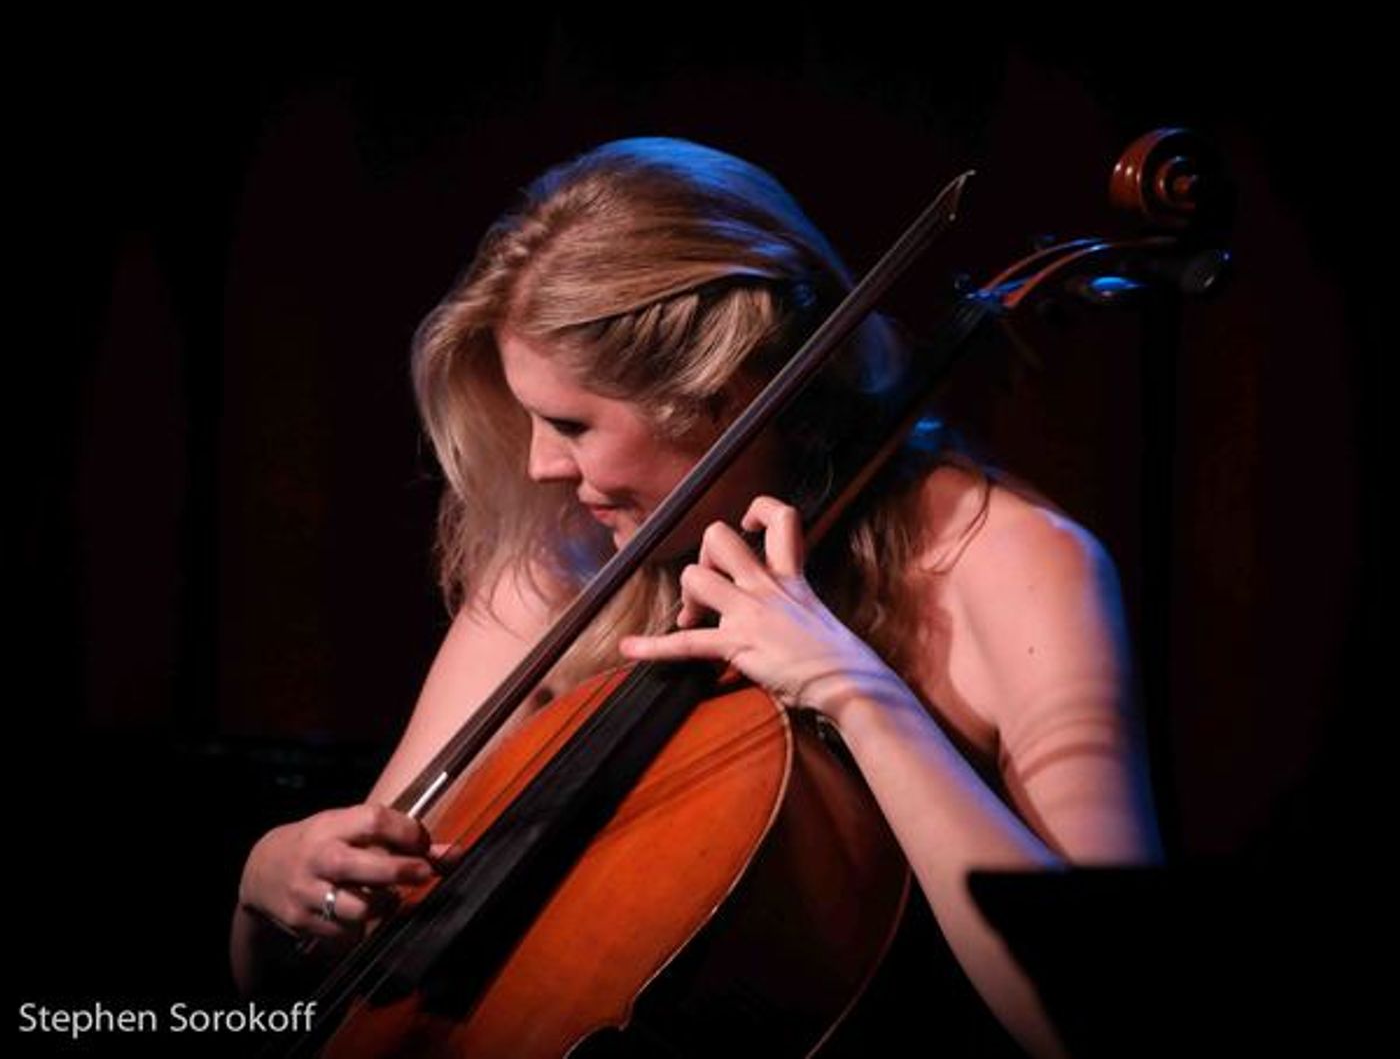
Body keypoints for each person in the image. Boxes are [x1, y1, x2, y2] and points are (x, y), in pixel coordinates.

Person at [230, 137, 1163, 1058]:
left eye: (571, 424)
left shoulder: (1007, 564)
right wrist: (269, 890)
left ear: (725, 389)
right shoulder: (558, 574)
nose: (540, 466)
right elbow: (325, 973)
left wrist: (857, 692)